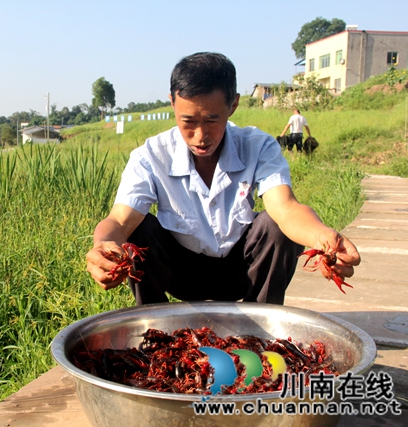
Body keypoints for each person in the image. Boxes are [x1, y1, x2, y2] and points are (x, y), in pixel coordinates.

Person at [85, 52, 360, 306]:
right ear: (172, 104)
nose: (200, 135)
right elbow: (120, 220)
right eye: (188, 121)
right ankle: (154, 327)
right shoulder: (151, 156)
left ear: (233, 105)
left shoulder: (257, 146)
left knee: (276, 228)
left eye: (212, 120)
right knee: (137, 231)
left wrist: (323, 237)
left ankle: (259, 329)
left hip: (241, 272)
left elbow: (286, 209)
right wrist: (103, 246)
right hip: (178, 273)